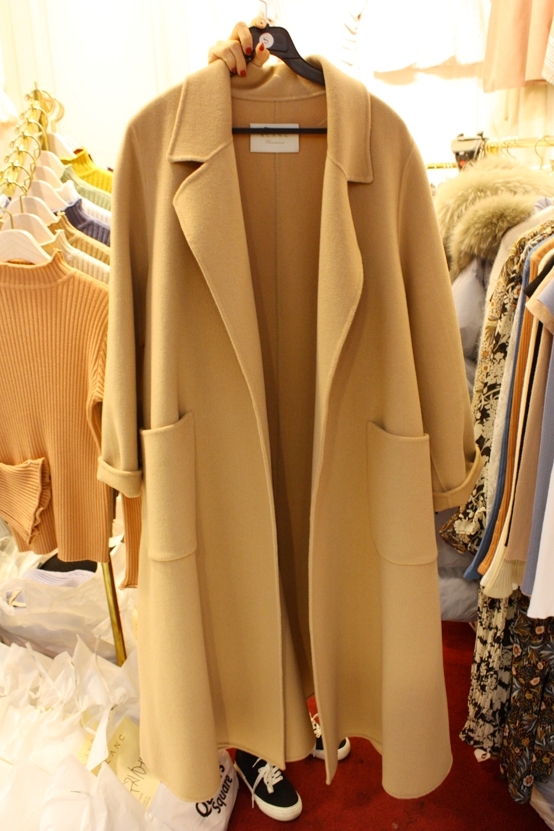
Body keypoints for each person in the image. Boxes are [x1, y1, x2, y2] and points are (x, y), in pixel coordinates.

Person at [205, 18, 351, 823]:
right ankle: (258, 731)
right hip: (218, 392)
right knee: (245, 554)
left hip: (321, 369)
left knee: (311, 540)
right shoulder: (166, 138)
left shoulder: (366, 133)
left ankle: (310, 699)